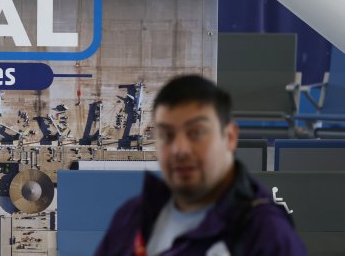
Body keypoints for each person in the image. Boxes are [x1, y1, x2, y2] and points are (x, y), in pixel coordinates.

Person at [94, 75, 306, 256]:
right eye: (167, 135)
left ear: (230, 137)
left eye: (196, 133)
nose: (180, 149)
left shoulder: (265, 235)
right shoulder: (132, 218)